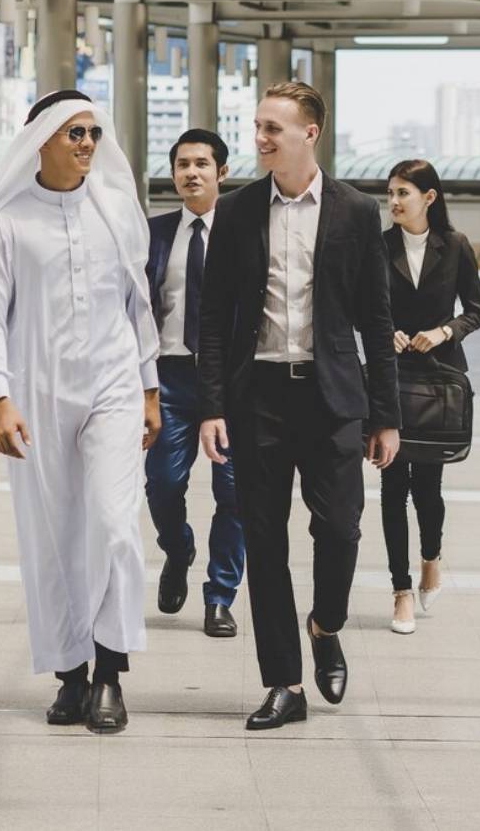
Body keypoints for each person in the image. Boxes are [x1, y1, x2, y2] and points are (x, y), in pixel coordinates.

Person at [0, 90, 160, 734]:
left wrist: (148, 387)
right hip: (36, 392)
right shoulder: (6, 220)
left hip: (114, 386)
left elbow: (138, 303)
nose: (88, 143)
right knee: (54, 534)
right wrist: (0, 398)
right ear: (42, 139)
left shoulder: (117, 209)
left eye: (93, 132)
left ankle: (111, 670)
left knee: (115, 525)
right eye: (74, 133)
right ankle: (70, 675)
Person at [198, 81, 401, 730]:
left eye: (271, 129)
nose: (258, 138)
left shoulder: (353, 210)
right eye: (257, 126)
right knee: (263, 538)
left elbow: (375, 315)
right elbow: (210, 317)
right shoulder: (234, 212)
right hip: (256, 392)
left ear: (308, 134)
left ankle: (325, 624)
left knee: (339, 527)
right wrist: (210, 405)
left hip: (331, 394)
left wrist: (385, 414)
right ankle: (284, 682)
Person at [145, 129, 245, 637]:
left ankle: (221, 596)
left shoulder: (246, 232)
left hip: (231, 383)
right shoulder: (154, 233)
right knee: (162, 484)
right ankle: (177, 549)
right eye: (182, 164)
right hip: (170, 378)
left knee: (235, 495)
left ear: (221, 173)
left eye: (202, 163)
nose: (191, 173)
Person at [382, 159, 480, 634]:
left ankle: (431, 558)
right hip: (392, 376)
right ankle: (401, 591)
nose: (394, 202)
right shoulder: (379, 246)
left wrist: (444, 330)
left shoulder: (456, 245)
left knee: (428, 487)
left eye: (403, 193)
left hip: (440, 377)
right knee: (391, 486)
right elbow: (362, 306)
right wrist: (390, 334)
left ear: (429, 197)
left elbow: (476, 310)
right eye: (391, 193)